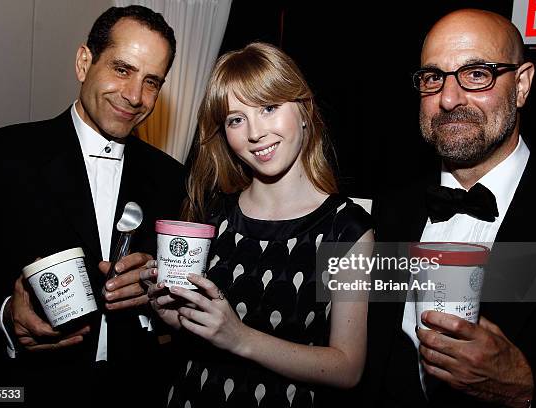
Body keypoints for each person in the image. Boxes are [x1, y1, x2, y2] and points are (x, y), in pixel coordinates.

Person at [0, 5, 185, 402]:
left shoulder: (172, 177)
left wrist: (157, 289)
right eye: (122, 69)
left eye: (152, 82)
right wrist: (8, 317)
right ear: (84, 62)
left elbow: (181, 299)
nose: (135, 96)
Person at [147, 42, 373, 407]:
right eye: (236, 119)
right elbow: (200, 336)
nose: (255, 133)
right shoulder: (212, 216)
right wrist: (178, 317)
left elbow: (348, 368)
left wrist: (240, 338)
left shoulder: (347, 229)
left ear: (304, 110)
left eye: (268, 108)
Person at [370, 8, 536, 408]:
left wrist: (526, 385)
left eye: (477, 74)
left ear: (523, 85)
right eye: (433, 78)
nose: (448, 98)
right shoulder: (385, 213)